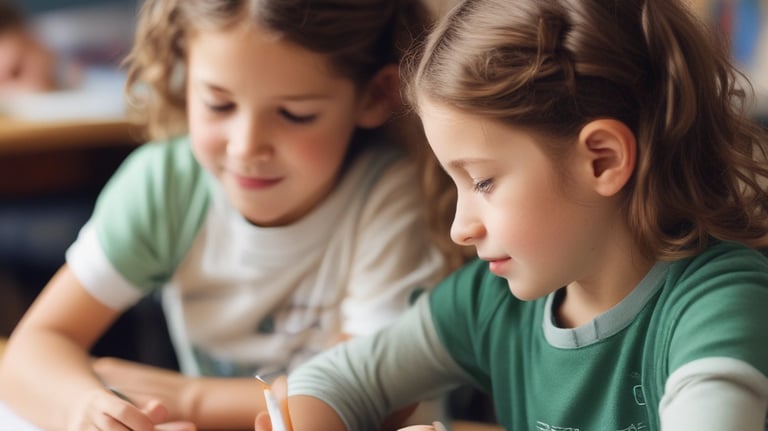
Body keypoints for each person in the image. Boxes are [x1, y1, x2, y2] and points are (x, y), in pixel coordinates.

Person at [256, 0, 768, 430]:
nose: (460, 228)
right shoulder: (490, 300)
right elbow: (333, 379)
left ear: (602, 160)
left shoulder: (717, 305)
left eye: (482, 181)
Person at [0, 0, 464, 429]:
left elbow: (372, 396)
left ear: (376, 96)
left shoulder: (391, 199)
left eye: (295, 113)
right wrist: (88, 409)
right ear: (184, 72)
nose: (246, 147)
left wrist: (192, 399)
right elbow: (31, 351)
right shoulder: (167, 184)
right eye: (218, 104)